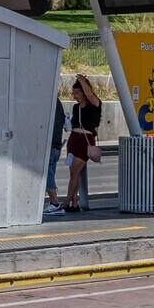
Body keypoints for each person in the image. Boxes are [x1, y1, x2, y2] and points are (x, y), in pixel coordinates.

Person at [61, 74, 103, 213]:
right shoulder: (75, 107)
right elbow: (72, 124)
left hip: (85, 140)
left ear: (84, 92)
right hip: (74, 139)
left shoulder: (94, 104)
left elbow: (90, 95)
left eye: (77, 93)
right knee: (73, 172)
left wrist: (82, 81)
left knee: (74, 171)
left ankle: (67, 201)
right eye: (73, 93)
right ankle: (74, 202)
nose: (75, 96)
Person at [45, 93, 68, 216]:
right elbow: (64, 120)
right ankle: (51, 203)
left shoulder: (46, 102)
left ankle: (55, 204)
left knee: (47, 175)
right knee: (51, 174)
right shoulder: (57, 102)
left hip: (48, 144)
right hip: (57, 144)